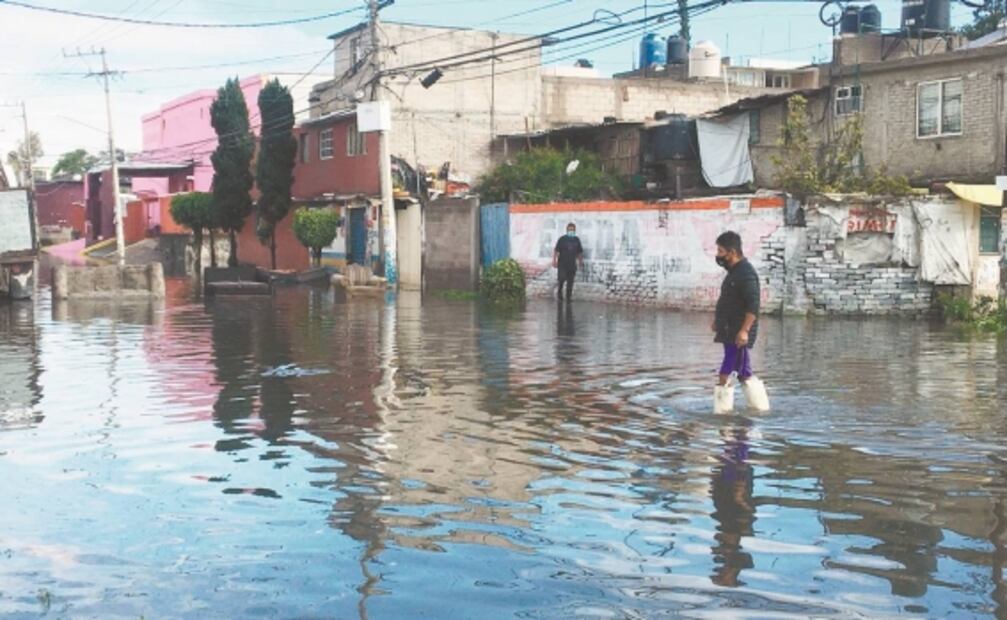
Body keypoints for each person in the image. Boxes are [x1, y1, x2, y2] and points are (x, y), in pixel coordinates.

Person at [711, 231, 768, 411]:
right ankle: (759, 409)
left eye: (720, 251)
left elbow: (753, 306)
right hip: (730, 329)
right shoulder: (734, 272)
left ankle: (722, 416)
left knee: (726, 371)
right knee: (743, 373)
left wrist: (744, 331)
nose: (718, 255)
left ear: (732, 252)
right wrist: (718, 321)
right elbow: (728, 300)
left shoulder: (746, 274)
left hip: (738, 332)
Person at [552, 222, 584, 301]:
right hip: (562, 264)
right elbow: (556, 250)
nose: (571, 231)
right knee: (561, 279)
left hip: (572, 264)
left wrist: (580, 261)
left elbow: (579, 252)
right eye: (570, 230)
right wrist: (554, 261)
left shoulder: (576, 240)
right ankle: (560, 294)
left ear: (575, 230)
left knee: (570, 282)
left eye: (572, 230)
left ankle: (568, 297)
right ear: (567, 230)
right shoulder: (562, 239)